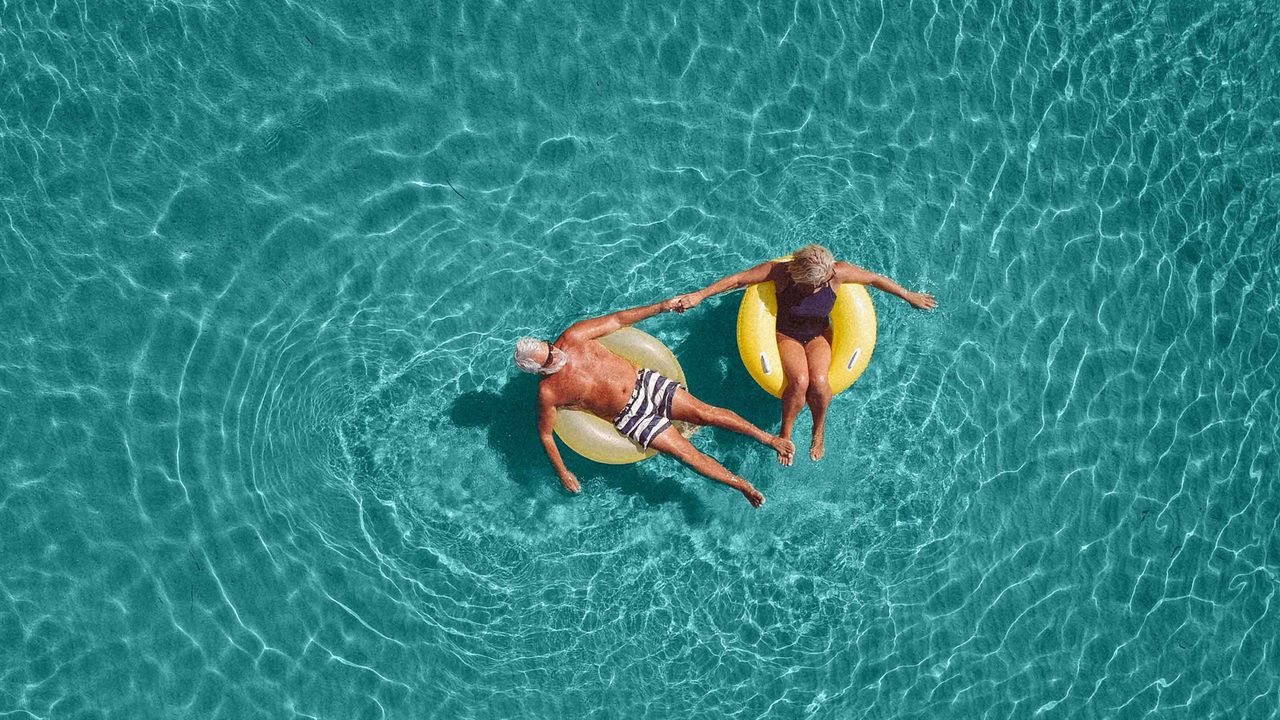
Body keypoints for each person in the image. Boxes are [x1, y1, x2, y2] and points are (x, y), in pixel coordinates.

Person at [669, 244, 937, 464]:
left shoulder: (837, 273)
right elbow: (738, 279)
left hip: (818, 335)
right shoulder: (780, 273)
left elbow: (875, 279)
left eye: (820, 283)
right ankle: (785, 432)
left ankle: (818, 429)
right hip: (787, 335)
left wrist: (908, 295)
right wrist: (699, 295)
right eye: (811, 285)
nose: (816, 288)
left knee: (820, 383)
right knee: (799, 381)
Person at [514, 299, 795, 508]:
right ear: (538, 370)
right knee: (686, 455)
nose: (556, 355)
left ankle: (768, 439)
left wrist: (661, 306)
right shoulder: (549, 393)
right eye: (549, 360)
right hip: (631, 418)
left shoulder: (573, 336)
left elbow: (619, 319)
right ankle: (741, 485)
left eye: (549, 347)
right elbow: (546, 434)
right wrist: (563, 473)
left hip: (645, 383)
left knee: (704, 413)